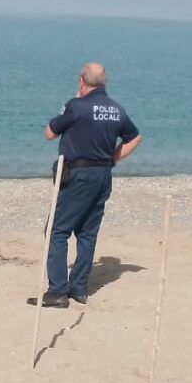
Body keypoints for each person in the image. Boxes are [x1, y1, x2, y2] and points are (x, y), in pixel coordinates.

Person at [39, 62, 142, 308]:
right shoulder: (116, 109)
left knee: (56, 230)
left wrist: (72, 103)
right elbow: (135, 138)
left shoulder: (77, 106)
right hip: (102, 174)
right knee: (87, 232)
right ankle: (79, 288)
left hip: (78, 174)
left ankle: (57, 291)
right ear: (104, 82)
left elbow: (50, 133)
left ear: (81, 81)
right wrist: (112, 159)